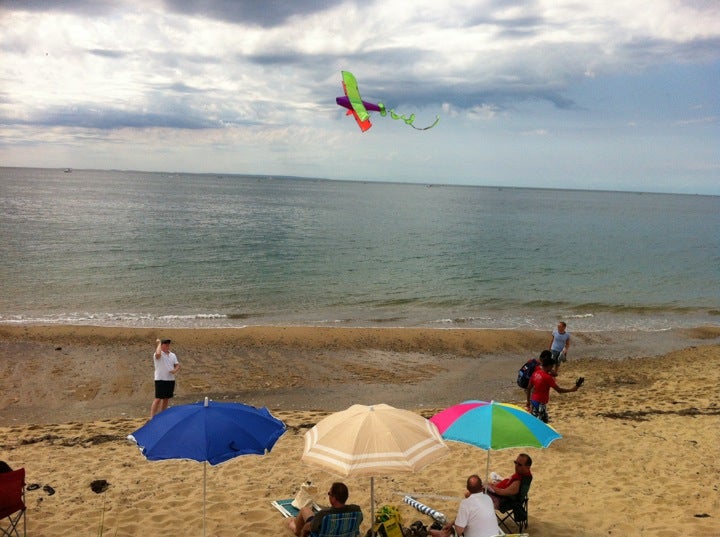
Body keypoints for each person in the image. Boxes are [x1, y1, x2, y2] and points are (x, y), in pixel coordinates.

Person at [428, 475, 500, 537]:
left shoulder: (466, 503)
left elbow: (459, 531)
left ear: (468, 489)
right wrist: (453, 523)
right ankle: (441, 533)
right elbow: (476, 515)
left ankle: (437, 533)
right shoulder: (488, 498)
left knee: (451, 532)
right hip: (495, 535)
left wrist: (454, 526)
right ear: (481, 487)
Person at [288, 482, 362, 537]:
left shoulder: (324, 515)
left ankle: (295, 529)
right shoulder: (356, 510)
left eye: (329, 493)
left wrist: (302, 532)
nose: (329, 496)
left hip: (321, 530)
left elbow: (308, 528)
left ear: (334, 498)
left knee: (304, 510)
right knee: (306, 511)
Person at [526, 352, 581, 422]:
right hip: (541, 402)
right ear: (549, 366)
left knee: (535, 421)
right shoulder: (547, 377)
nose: (552, 368)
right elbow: (559, 390)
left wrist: (528, 401)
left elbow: (528, 388)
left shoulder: (535, 373)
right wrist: (572, 389)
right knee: (544, 423)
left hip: (533, 400)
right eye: (552, 366)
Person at [150, 338, 180, 418]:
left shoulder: (172, 355)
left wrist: (175, 370)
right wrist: (159, 343)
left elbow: (177, 365)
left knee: (166, 398)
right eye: (165, 344)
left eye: (168, 344)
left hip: (170, 379)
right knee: (158, 398)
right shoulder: (158, 354)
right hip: (160, 379)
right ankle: (152, 416)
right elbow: (158, 354)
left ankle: (162, 415)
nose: (167, 345)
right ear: (161, 345)